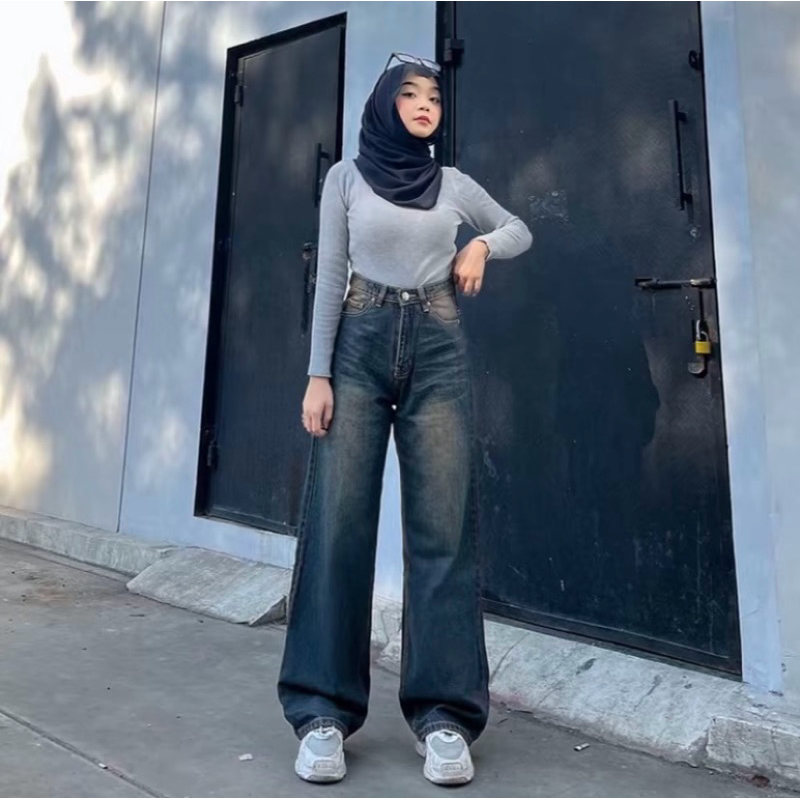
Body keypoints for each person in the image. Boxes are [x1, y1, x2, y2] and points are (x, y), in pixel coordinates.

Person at [277, 52, 533, 786]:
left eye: (434, 98)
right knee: (339, 525)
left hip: (439, 345)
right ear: (385, 104)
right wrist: (317, 375)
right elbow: (330, 275)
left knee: (442, 528)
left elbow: (518, 228)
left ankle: (444, 717)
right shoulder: (346, 178)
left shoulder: (452, 184)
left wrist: (480, 243)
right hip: (356, 345)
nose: (425, 105)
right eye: (411, 95)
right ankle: (322, 714)